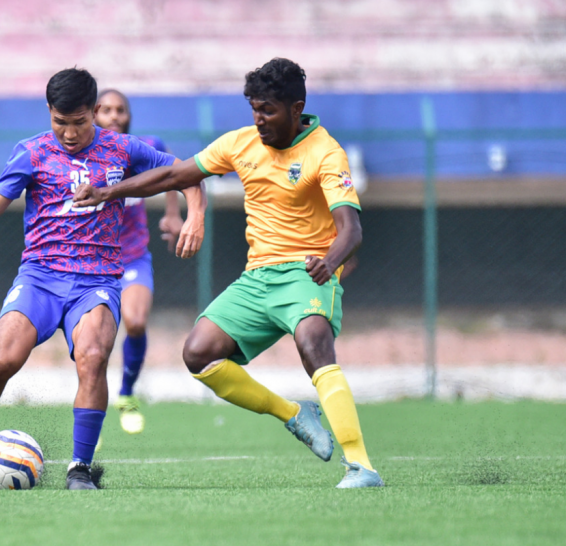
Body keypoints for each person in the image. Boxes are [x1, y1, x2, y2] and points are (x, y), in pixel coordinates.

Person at [73, 58, 383, 488]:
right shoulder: (241, 143)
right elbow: (173, 174)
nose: (259, 120)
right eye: (254, 109)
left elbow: (352, 229)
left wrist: (329, 262)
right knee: (198, 354)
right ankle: (292, 413)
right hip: (257, 278)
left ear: (296, 108)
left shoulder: (326, 152)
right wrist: (108, 191)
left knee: (313, 340)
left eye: (269, 111)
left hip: (307, 274)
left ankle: (362, 466)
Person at [0, 68, 206, 490]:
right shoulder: (31, 153)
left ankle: (80, 469)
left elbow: (188, 173)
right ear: (49, 113)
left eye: (79, 122)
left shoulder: (122, 149)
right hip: (40, 277)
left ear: (93, 113)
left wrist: (194, 216)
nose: (69, 133)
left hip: (97, 281)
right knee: (4, 360)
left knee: (93, 357)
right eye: (59, 122)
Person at [93, 89, 183, 435]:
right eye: (106, 110)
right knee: (96, 343)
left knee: (135, 321)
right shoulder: (84, 156)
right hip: (94, 261)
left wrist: (173, 215)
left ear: (128, 116)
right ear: (93, 115)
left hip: (132, 256)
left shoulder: (143, 146)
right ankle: (90, 416)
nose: (114, 116)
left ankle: (127, 395)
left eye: (120, 110)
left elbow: (175, 173)